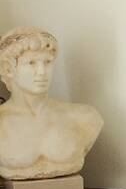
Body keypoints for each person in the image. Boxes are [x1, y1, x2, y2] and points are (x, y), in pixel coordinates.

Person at [0, 27, 103, 180]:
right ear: (8, 69)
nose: (42, 71)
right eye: (31, 63)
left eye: (47, 62)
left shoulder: (85, 117)